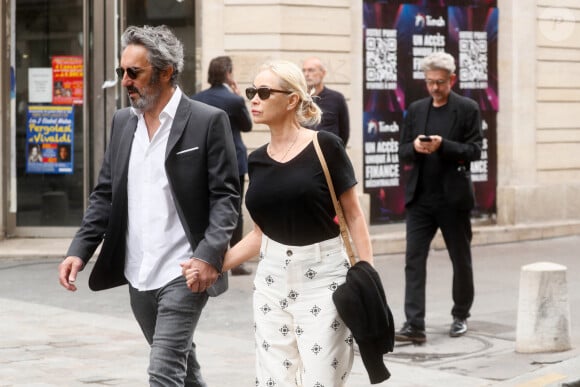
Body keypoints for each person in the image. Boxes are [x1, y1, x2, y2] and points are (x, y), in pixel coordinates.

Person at [58, 25, 240, 386]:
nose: (125, 81)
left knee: (163, 371)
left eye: (134, 72)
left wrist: (208, 255)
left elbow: (226, 197)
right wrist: (79, 250)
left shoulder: (207, 121)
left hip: (184, 271)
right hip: (137, 272)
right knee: (181, 365)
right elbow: (106, 194)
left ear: (166, 71)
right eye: (121, 72)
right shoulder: (123, 122)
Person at [184, 60, 374, 386]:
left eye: (263, 92)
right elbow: (260, 233)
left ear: (291, 100)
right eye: (251, 92)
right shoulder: (256, 160)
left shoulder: (325, 146)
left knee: (322, 380)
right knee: (273, 380)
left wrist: (368, 276)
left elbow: (354, 215)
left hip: (325, 281)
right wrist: (213, 265)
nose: (253, 99)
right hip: (271, 282)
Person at [396, 51, 483, 344]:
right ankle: (414, 324)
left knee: (461, 259)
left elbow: (474, 151)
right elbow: (403, 149)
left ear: (452, 80)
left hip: (453, 199)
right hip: (420, 198)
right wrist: (416, 148)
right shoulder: (417, 109)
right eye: (430, 82)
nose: (435, 88)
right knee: (413, 260)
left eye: (441, 82)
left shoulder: (468, 108)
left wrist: (444, 146)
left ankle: (460, 315)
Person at [192, 56, 253, 276]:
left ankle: (208, 257)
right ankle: (235, 262)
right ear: (228, 73)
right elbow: (247, 127)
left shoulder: (197, 98)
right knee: (234, 210)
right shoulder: (234, 100)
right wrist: (239, 98)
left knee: (207, 208)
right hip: (234, 161)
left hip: (204, 161)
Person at [302, 56, 350, 145]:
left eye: (311, 70)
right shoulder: (299, 99)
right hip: (305, 153)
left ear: (323, 73)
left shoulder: (337, 98)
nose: (306, 74)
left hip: (330, 154)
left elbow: (344, 132)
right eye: (304, 70)